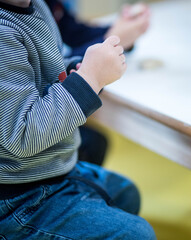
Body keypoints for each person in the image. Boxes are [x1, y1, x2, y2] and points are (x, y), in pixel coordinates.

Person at [0, 0, 156, 239]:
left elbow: (54, 69)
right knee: (136, 234)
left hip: (50, 167)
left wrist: (78, 70)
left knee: (126, 194)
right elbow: (22, 136)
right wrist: (89, 79)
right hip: (16, 196)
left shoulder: (39, 6)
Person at [45, 0, 150, 166]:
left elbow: (74, 32)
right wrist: (112, 40)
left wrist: (118, 33)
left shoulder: (43, 6)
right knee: (93, 144)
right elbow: (50, 66)